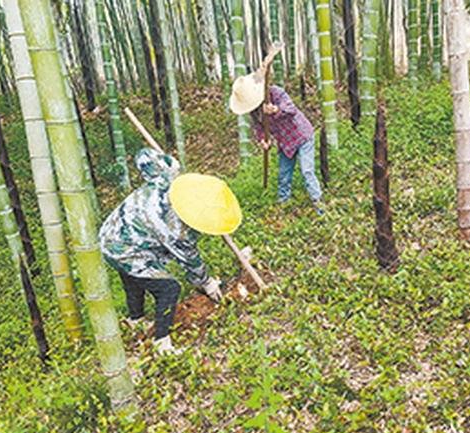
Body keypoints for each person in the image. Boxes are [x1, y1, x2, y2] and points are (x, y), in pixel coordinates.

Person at [99, 148, 241, 356]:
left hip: (109, 234)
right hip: (125, 248)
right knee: (168, 288)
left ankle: (136, 321)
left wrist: (169, 164)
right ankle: (162, 344)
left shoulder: (167, 179)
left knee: (133, 279)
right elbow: (191, 262)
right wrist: (206, 282)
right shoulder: (178, 231)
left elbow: (144, 156)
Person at [229, 72, 325, 214]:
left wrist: (276, 109)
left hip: (301, 135)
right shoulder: (254, 110)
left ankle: (320, 207)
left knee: (307, 171)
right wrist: (263, 140)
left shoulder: (275, 93)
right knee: (283, 177)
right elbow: (259, 127)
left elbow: (291, 109)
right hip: (284, 142)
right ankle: (283, 208)